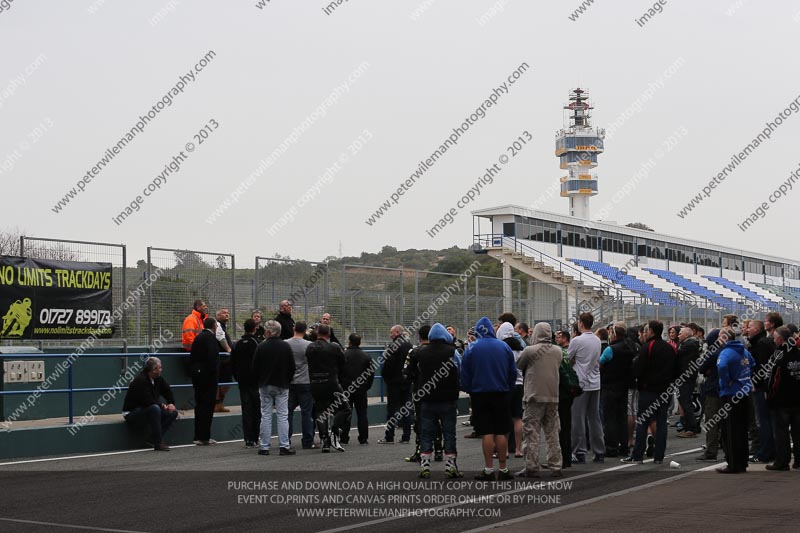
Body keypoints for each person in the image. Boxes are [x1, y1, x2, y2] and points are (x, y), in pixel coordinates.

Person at [460, 316, 518, 481]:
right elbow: (512, 372)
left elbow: (465, 374)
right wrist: (508, 388)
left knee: (486, 432)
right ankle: (504, 468)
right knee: (501, 431)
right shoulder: (504, 347)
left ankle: (488, 469)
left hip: (480, 394)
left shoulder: (472, 348)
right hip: (501, 393)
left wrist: (469, 389)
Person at [624, 320, 678, 465]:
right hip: (665, 391)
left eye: (647, 330)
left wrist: (639, 380)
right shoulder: (670, 348)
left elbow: (638, 368)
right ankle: (659, 456)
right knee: (661, 423)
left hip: (649, 391)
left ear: (651, 331)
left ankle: (638, 455)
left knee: (642, 422)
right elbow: (677, 369)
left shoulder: (648, 347)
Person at [415, 323, 464, 479]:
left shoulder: (421, 352)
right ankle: (450, 465)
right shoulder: (453, 352)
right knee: (449, 432)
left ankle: (425, 465)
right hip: (448, 398)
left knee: (426, 432)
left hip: (428, 398)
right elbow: (460, 369)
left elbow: (415, 372)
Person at [517, 322, 563, 478]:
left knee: (531, 432)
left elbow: (519, 364)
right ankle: (556, 465)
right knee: (552, 431)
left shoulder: (530, 351)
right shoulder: (558, 351)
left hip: (534, 396)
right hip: (553, 396)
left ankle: (531, 466)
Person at [253, 320, 296, 456]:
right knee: (283, 415)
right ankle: (284, 446)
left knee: (265, 415)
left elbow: (255, 367)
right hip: (282, 385)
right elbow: (292, 367)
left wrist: (260, 380)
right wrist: (287, 380)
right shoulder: (285, 346)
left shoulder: (261, 347)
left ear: (269, 332)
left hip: (265, 385)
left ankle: (264, 447)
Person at [716, 326, 755, 473]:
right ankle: (742, 462)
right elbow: (752, 363)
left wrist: (727, 381)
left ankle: (733, 464)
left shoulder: (726, 352)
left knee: (730, 431)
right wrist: (744, 379)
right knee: (741, 429)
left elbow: (721, 367)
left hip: (730, 394)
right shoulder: (743, 350)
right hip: (744, 393)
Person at [305, 324, 350, 452]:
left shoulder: (310, 347)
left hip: (315, 383)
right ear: (329, 334)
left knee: (320, 409)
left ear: (317, 334)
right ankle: (334, 431)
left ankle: (324, 439)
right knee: (345, 408)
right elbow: (343, 364)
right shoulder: (334, 347)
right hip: (331, 383)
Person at [569, 312, 605, 463]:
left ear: (581, 324)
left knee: (578, 419)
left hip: (580, 383)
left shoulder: (577, 340)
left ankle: (579, 451)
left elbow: (568, 359)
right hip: (595, 382)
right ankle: (599, 451)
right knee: (594, 418)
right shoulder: (597, 340)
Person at [405, 325, 443, 463]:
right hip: (437, 390)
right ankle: (439, 450)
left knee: (420, 420)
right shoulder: (441, 351)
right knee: (436, 419)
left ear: (419, 336)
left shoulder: (414, 352)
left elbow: (407, 373)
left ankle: (420, 450)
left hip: (420, 391)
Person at [122, 357, 178, 451]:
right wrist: (162, 405)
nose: (161, 370)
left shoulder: (158, 379)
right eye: (159, 368)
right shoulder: (141, 380)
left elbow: (167, 391)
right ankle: (158, 443)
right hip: (131, 412)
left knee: (173, 412)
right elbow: (147, 401)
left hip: (147, 408)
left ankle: (152, 439)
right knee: (155, 408)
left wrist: (171, 403)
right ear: (153, 370)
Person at [766, 326, 800, 471]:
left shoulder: (778, 355)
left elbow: (772, 379)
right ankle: (798, 461)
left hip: (782, 400)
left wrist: (769, 396)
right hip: (798, 399)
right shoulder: (798, 353)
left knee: (781, 432)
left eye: (774, 337)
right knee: (798, 432)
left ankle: (782, 461)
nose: (773, 340)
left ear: (780, 339)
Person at [599, 325, 635, 457]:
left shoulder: (610, 349)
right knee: (622, 417)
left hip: (610, 385)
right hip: (624, 386)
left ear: (614, 334)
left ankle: (611, 447)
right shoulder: (630, 348)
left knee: (609, 418)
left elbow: (600, 364)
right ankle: (624, 446)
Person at [378, 325, 413, 445]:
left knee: (392, 409)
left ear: (397, 332)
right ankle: (406, 436)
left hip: (394, 382)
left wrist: (385, 377)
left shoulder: (393, 346)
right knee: (406, 408)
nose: (390, 335)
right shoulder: (409, 345)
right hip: (406, 381)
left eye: (392, 332)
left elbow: (388, 365)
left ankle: (389, 436)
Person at [340, 333, 375, 445]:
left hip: (346, 388)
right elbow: (371, 374)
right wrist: (367, 386)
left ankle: (344, 437)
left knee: (345, 413)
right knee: (362, 414)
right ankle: (363, 438)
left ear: (349, 342)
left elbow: (338, 372)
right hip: (361, 388)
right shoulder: (366, 356)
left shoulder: (343, 355)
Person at [189, 317, 220, 445]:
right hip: (208, 378)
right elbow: (213, 358)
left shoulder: (198, 337)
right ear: (213, 326)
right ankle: (205, 437)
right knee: (208, 406)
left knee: (199, 405)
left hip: (197, 376)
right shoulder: (211, 338)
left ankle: (198, 435)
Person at [230, 318, 260, 448]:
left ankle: (248, 439)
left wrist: (237, 377)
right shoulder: (256, 343)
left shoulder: (237, 343)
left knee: (246, 409)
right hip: (255, 382)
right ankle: (255, 437)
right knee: (256, 409)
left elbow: (232, 363)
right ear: (254, 329)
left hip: (242, 381)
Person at [749, 319, 776, 463]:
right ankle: (770, 451)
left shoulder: (761, 344)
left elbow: (762, 366)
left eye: (750, 327)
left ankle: (765, 452)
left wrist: (756, 382)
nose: (747, 329)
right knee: (767, 420)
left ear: (757, 329)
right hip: (765, 386)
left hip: (761, 388)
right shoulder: (762, 343)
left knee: (763, 421)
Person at [497, 322, 525, 459]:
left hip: (506, 386)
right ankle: (519, 449)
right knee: (517, 417)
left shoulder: (501, 348)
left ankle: (506, 450)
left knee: (504, 418)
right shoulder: (520, 348)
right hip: (519, 385)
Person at [286, 321, 315, 450]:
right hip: (305, 381)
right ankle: (308, 441)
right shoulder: (309, 345)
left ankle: (285, 439)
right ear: (305, 331)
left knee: (287, 413)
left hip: (290, 382)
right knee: (307, 413)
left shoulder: (286, 344)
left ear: (294, 329)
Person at [675, 326, 701, 438]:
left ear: (686, 335)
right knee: (684, 401)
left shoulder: (689, 345)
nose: (678, 335)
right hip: (685, 377)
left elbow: (678, 355)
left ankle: (691, 428)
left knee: (686, 402)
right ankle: (688, 426)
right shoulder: (688, 344)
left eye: (680, 333)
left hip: (686, 377)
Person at [555, 329, 575, 467]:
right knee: (566, 426)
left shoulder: (559, 353)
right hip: (569, 392)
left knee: (560, 427)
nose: (557, 339)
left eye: (559, 336)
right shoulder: (565, 353)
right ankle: (566, 457)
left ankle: (562, 458)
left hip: (561, 392)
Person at [215, 308, 233, 413]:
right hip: (222, 359)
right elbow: (221, 338)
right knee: (223, 381)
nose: (227, 314)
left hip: (226, 359)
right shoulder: (217, 325)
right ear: (218, 316)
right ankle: (217, 403)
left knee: (225, 382)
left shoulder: (223, 327)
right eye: (224, 313)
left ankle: (219, 402)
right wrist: (229, 349)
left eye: (227, 312)